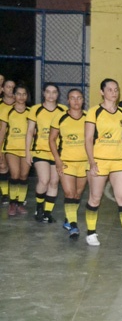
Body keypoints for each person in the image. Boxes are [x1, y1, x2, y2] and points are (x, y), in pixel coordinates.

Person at [84, 78, 122, 248]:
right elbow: (88, 138)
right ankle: (91, 232)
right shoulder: (94, 112)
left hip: (119, 161)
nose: (114, 93)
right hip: (100, 161)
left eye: (116, 89)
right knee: (95, 197)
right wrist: (92, 162)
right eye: (110, 90)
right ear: (102, 92)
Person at [48, 89, 88, 239]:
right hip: (67, 162)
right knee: (69, 193)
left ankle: (68, 219)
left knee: (77, 194)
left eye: (79, 98)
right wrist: (57, 160)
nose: (76, 101)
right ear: (68, 100)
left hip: (84, 163)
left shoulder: (88, 118)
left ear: (83, 100)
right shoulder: (60, 117)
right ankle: (73, 225)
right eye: (72, 98)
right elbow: (51, 140)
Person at [25, 83, 66, 222]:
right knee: (44, 180)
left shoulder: (63, 110)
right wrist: (27, 152)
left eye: (54, 92)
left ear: (58, 94)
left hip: (57, 153)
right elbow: (30, 131)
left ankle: (48, 212)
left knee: (54, 182)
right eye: (48, 92)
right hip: (40, 150)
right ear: (43, 93)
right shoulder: (35, 110)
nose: (51, 95)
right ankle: (39, 208)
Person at [0, 84, 31, 215]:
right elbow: (2, 131)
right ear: (14, 95)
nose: (21, 97)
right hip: (11, 148)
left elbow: (34, 131)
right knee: (15, 174)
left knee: (24, 176)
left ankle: (20, 203)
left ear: (27, 96)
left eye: (24, 94)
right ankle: (12, 203)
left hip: (26, 150)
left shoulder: (31, 112)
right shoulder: (7, 111)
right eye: (18, 94)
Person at [0, 76, 14, 203]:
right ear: (2, 89)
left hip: (16, 142)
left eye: (13, 87)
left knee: (16, 170)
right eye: (8, 87)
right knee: (2, 166)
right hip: (2, 139)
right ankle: (5, 194)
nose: (11, 90)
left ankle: (17, 197)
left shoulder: (21, 104)